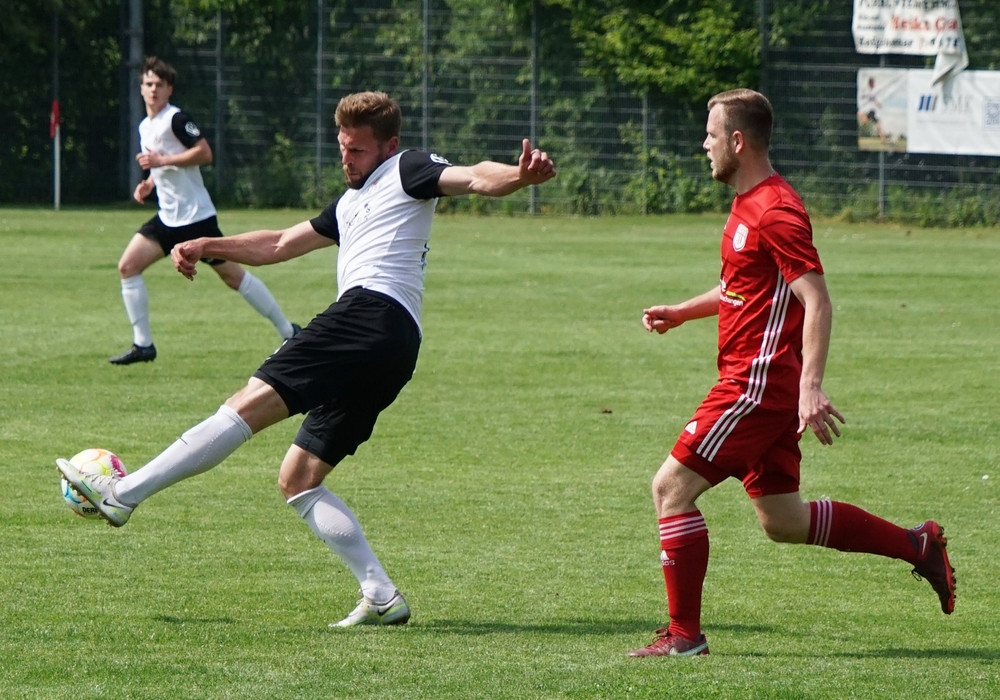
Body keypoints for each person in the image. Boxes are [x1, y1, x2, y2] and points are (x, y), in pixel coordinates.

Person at [59, 90, 556, 626]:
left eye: (358, 150)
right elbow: (277, 244)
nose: (347, 159)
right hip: (394, 346)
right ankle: (381, 594)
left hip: (368, 315)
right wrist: (208, 245)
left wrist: (519, 176)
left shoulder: (408, 168)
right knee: (298, 478)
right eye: (342, 147)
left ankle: (124, 494)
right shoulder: (348, 204)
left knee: (247, 403)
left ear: (389, 146)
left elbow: (475, 177)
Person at [628, 89, 955, 658]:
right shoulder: (747, 204)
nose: (703, 144)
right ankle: (918, 545)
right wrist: (682, 312)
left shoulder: (776, 210)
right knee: (782, 519)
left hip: (755, 385)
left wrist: (810, 387)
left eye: (711, 134)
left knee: (670, 489)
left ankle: (684, 638)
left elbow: (817, 299)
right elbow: (741, 289)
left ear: (737, 141)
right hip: (760, 384)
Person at [110, 56, 298, 365]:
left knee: (234, 278)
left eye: (159, 84)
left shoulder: (176, 119)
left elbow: (204, 153)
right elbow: (161, 165)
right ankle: (143, 345)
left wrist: (160, 162)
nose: (153, 89)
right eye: (148, 84)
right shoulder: (146, 126)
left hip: (195, 219)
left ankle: (288, 331)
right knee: (127, 266)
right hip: (167, 218)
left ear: (170, 89)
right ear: (141, 88)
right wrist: (149, 183)